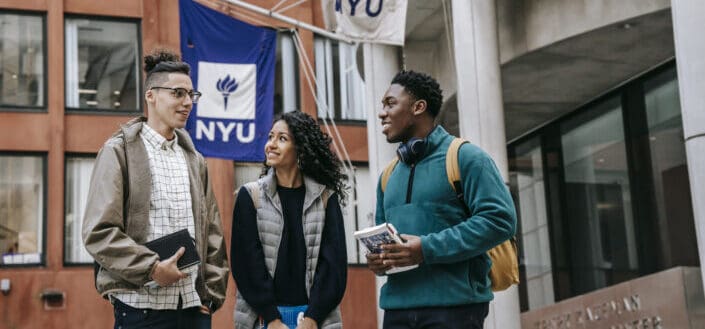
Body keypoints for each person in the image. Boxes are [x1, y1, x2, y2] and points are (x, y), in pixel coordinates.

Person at [82, 50, 229, 329]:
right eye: (177, 93)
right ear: (151, 95)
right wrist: (152, 269)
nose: (187, 102)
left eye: (191, 95)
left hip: (192, 309)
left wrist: (210, 298)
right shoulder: (119, 152)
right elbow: (99, 232)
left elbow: (213, 233)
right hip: (140, 310)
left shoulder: (194, 159)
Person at [366, 70, 517, 329]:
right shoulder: (387, 176)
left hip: (455, 309)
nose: (382, 113)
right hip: (396, 311)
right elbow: (384, 237)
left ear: (418, 107)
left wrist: (425, 249)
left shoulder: (466, 158)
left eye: (391, 104)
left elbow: (500, 221)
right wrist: (380, 260)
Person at [231, 111, 348, 329]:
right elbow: (246, 266)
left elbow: (334, 267)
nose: (271, 145)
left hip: (316, 320)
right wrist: (272, 318)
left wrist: (313, 317)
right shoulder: (250, 196)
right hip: (263, 319)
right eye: (270, 137)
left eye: (282, 139)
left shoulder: (325, 198)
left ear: (301, 149)